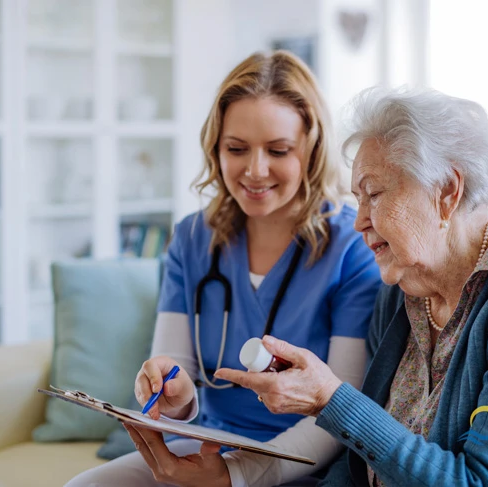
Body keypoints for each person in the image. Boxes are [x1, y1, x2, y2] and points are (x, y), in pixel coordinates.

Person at [215, 87, 488, 486]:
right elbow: (359, 464)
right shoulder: (402, 291)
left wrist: (332, 400)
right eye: (357, 199)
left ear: (447, 192)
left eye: (374, 193)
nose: (359, 221)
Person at [66, 51, 381, 487]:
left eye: (278, 150)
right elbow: (178, 377)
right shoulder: (193, 238)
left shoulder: (353, 247)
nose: (255, 170)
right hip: (208, 444)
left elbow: (340, 409)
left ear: (311, 148)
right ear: (216, 148)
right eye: (236, 149)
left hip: (305, 461)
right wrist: (167, 393)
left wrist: (238, 474)